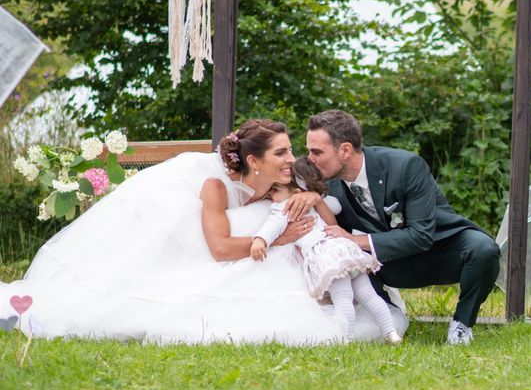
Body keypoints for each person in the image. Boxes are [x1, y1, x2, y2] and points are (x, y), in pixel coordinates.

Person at [0, 119, 408, 345]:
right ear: (254, 160)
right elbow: (218, 248)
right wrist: (277, 239)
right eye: (282, 153)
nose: (292, 159)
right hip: (182, 244)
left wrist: (308, 203)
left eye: (290, 151)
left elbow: (318, 209)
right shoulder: (214, 186)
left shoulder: (281, 185)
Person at [306, 110, 500, 345]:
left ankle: (462, 325)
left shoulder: (406, 166)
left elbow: (421, 235)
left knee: (484, 249)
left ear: (345, 150)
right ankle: (387, 316)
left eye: (316, 152)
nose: (310, 159)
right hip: (386, 265)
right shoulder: (326, 186)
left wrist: (356, 240)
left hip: (438, 248)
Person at [250, 157, 402, 344]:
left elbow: (273, 225)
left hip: (327, 257)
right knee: (368, 295)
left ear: (296, 191)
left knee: (343, 297)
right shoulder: (313, 203)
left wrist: (260, 240)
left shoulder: (285, 207)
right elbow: (336, 206)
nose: (270, 196)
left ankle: (346, 339)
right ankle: (391, 333)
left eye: (274, 190)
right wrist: (316, 196)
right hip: (344, 251)